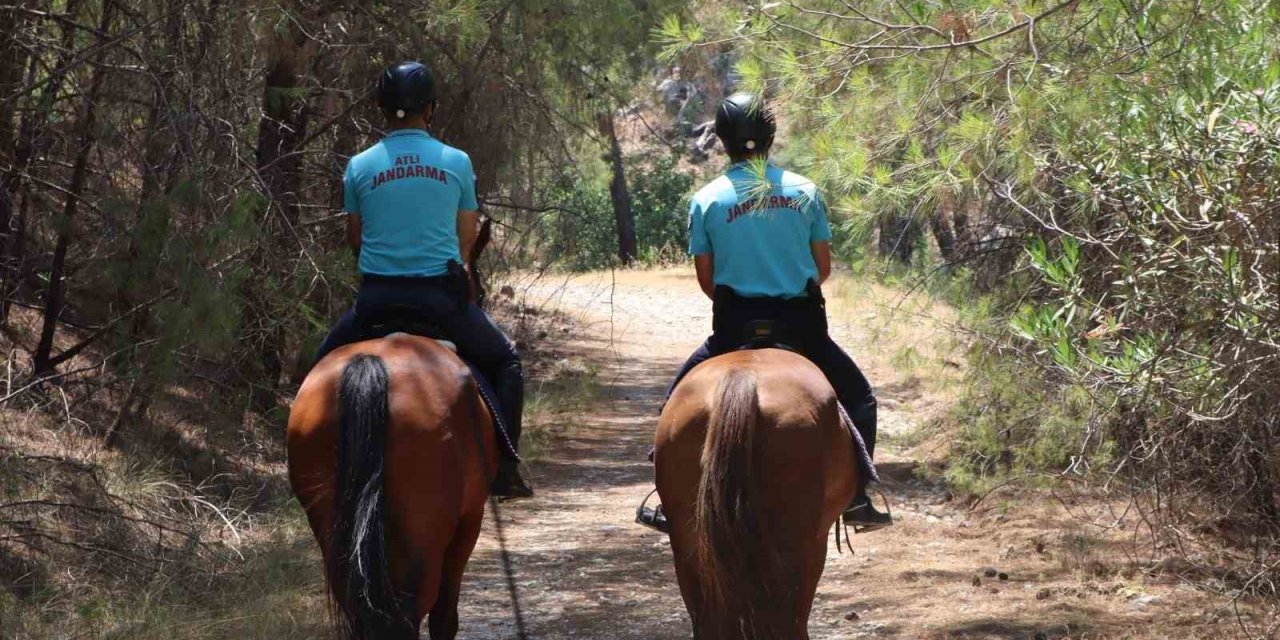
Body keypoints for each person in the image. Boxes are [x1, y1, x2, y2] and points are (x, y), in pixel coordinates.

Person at [638, 93, 891, 532]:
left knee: (674, 407)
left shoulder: (706, 199)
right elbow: (823, 268)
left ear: (722, 140)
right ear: (770, 136)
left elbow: (707, 281)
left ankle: (667, 499)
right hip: (802, 327)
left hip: (733, 327)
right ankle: (855, 498)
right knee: (861, 399)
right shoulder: (805, 191)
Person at [313, 61, 532, 499]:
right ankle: (505, 466)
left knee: (317, 372)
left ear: (382, 108)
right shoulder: (455, 161)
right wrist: (459, 265)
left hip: (376, 301)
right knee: (507, 362)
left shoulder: (359, 166)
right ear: (430, 109)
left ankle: (308, 467)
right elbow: (466, 237)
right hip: (438, 300)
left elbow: (355, 238)